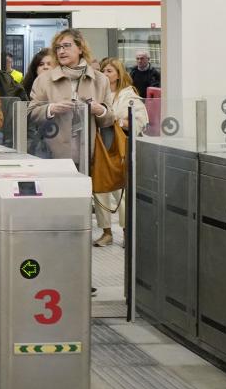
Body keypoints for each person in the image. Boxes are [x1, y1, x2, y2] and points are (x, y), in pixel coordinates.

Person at [28, 30, 115, 165]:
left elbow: (109, 120)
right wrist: (51, 108)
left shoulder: (100, 80)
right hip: (51, 155)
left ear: (80, 48)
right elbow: (31, 114)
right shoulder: (44, 80)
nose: (61, 51)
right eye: (58, 48)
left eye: (66, 46)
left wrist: (100, 110)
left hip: (88, 156)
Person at [95, 57, 149, 247]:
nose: (105, 74)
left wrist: (117, 121)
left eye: (109, 70)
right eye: (103, 70)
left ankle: (127, 232)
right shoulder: (97, 92)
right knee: (99, 189)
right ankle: (106, 232)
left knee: (121, 191)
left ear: (118, 74)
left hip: (120, 147)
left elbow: (140, 121)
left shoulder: (128, 95)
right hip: (99, 145)